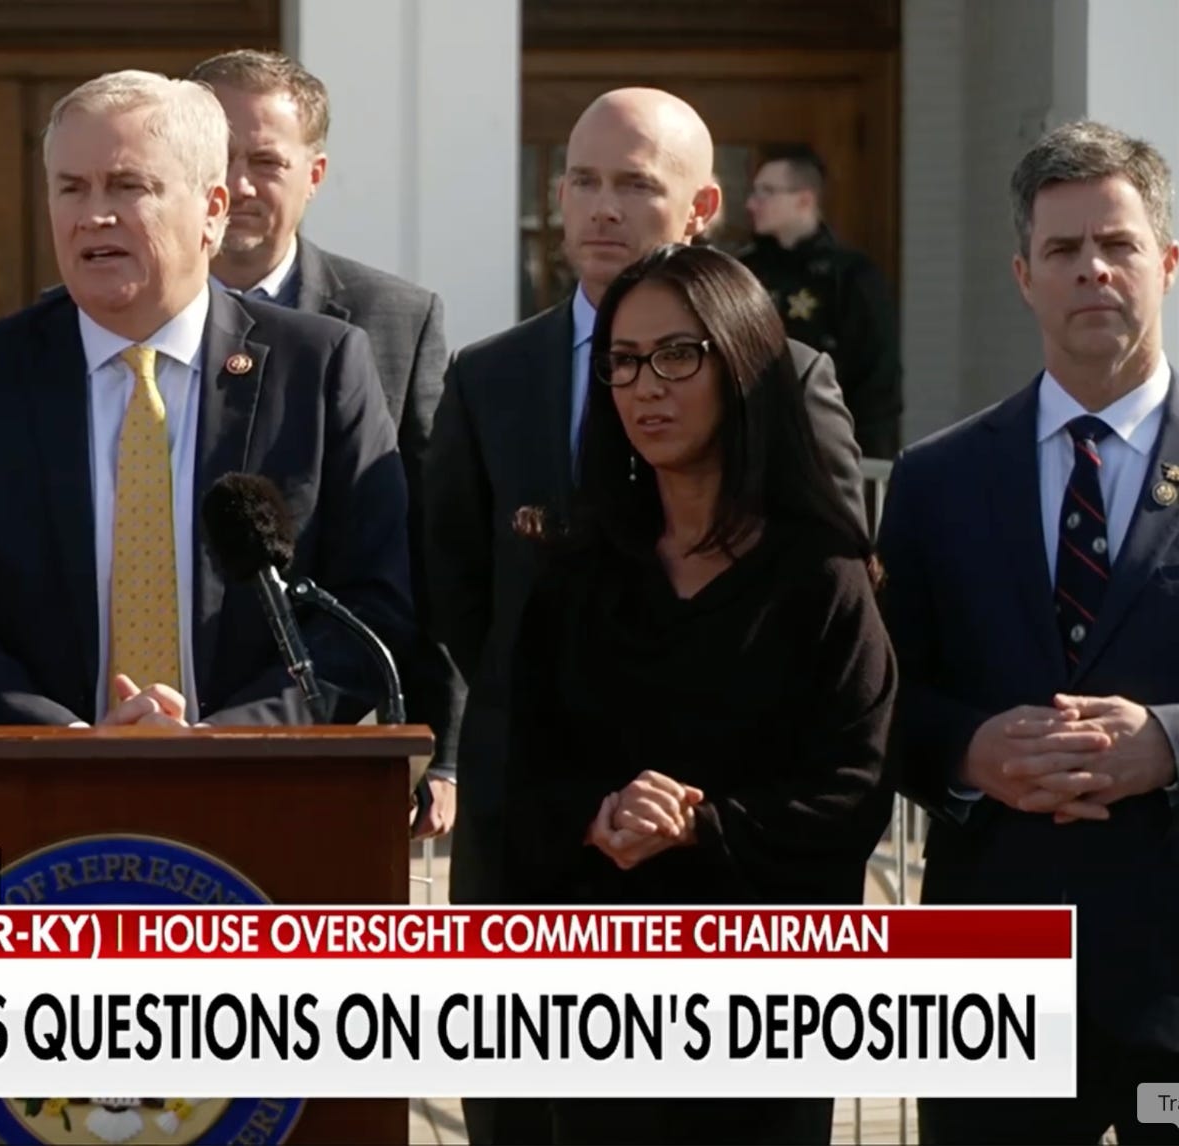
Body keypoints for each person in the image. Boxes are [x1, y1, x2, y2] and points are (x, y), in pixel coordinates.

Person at [421, 87, 866, 1145]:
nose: (601, 208)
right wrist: (580, 789)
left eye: (634, 184)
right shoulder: (489, 377)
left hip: (736, 876)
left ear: (703, 207)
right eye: (581, 181)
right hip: (536, 850)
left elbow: (827, 596)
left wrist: (698, 799)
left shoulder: (788, 375)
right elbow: (461, 596)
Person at [503, 245, 892, 1144]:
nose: (646, 386)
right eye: (624, 361)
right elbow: (524, 776)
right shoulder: (576, 574)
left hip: (766, 1007)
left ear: (743, 363)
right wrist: (600, 817)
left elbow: (852, 790)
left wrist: (698, 825)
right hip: (600, 1001)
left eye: (678, 355)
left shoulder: (821, 576)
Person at [0, 70, 413, 730]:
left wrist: (221, 741)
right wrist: (71, 743)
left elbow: (370, 609)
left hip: (258, 776)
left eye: (128, 185)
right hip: (41, 777)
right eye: (71, 188)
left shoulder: (319, 369)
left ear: (213, 211)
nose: (93, 215)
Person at [878, 120, 1178, 1146]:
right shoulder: (936, 480)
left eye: (1118, 244)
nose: (1092, 268)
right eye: (1062, 249)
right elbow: (880, 700)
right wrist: (970, 751)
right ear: (1022, 275)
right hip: (993, 983)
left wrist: (1168, 742)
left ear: (1166, 262)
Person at [188, 48, 464, 835]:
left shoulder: (393, 321)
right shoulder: (97, 323)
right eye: (219, 157)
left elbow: (428, 544)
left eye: (266, 162)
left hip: (315, 734)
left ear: (313, 175)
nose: (238, 185)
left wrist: (440, 752)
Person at [740, 146, 904, 458]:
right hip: (755, 442)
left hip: (826, 443)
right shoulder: (745, 271)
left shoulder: (851, 276)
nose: (752, 203)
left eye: (767, 192)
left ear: (804, 199)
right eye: (754, 191)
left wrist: (867, 457)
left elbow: (877, 378)